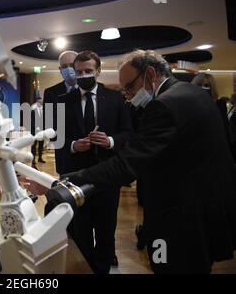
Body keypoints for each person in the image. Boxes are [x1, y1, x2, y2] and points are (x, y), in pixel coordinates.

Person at [24, 49, 236, 274]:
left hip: (179, 218)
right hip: (209, 211)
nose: (126, 94)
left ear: (151, 74)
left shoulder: (163, 105)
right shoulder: (193, 92)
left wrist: (60, 184)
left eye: (129, 87)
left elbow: (127, 164)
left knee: (167, 266)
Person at [59, 50, 133, 274]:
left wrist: (110, 141)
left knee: (105, 229)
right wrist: (73, 145)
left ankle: (102, 269)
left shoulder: (115, 98)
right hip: (76, 178)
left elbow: (129, 133)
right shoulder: (62, 101)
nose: (83, 75)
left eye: (88, 71)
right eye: (79, 72)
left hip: (108, 175)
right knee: (81, 230)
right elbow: (55, 139)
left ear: (98, 71)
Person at [42, 51, 78, 174]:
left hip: (91, 156)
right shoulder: (51, 93)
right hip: (64, 155)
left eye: (72, 65)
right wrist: (71, 144)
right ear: (60, 69)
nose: (68, 69)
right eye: (64, 66)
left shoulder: (91, 90)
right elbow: (48, 124)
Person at [191, 73, 233, 158]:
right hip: (195, 148)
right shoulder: (189, 105)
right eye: (199, 85)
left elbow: (224, 128)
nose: (203, 88)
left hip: (216, 148)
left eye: (207, 85)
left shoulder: (220, 105)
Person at [31, 96, 45, 168]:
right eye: (40, 101)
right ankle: (33, 159)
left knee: (41, 145)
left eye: (42, 101)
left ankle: (40, 158)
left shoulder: (43, 109)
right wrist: (36, 128)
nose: (41, 102)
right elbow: (32, 121)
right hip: (34, 130)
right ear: (37, 101)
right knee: (34, 145)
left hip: (42, 130)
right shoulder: (33, 109)